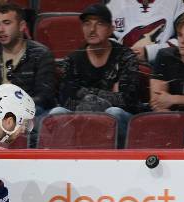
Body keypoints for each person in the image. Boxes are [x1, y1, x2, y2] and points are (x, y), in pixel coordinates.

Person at [51, 4, 140, 147]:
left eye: (99, 24)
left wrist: (84, 92)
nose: (92, 30)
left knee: (114, 113)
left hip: (118, 119)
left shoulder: (126, 57)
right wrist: (109, 94)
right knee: (57, 112)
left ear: (111, 29)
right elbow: (66, 100)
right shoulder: (73, 59)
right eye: (87, 24)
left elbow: (129, 101)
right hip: (81, 116)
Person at [0, 4, 55, 113]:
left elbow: (44, 97)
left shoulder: (40, 54)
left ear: (21, 26)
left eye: (7, 23)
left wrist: (15, 106)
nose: (0, 29)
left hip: (29, 113)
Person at [105, 0, 184, 63]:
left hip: (164, 68)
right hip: (121, 68)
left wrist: (149, 52)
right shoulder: (113, 4)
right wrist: (122, 53)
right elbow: (104, 39)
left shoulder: (177, 2)